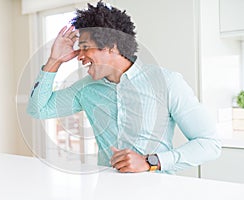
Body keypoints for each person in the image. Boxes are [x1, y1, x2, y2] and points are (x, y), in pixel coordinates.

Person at [27, 1, 221, 173]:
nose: (79, 56)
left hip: (157, 191)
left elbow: (209, 143)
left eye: (85, 47)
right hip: (106, 190)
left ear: (111, 46)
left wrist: (150, 162)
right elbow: (38, 110)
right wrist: (54, 61)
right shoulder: (86, 89)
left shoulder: (167, 82)